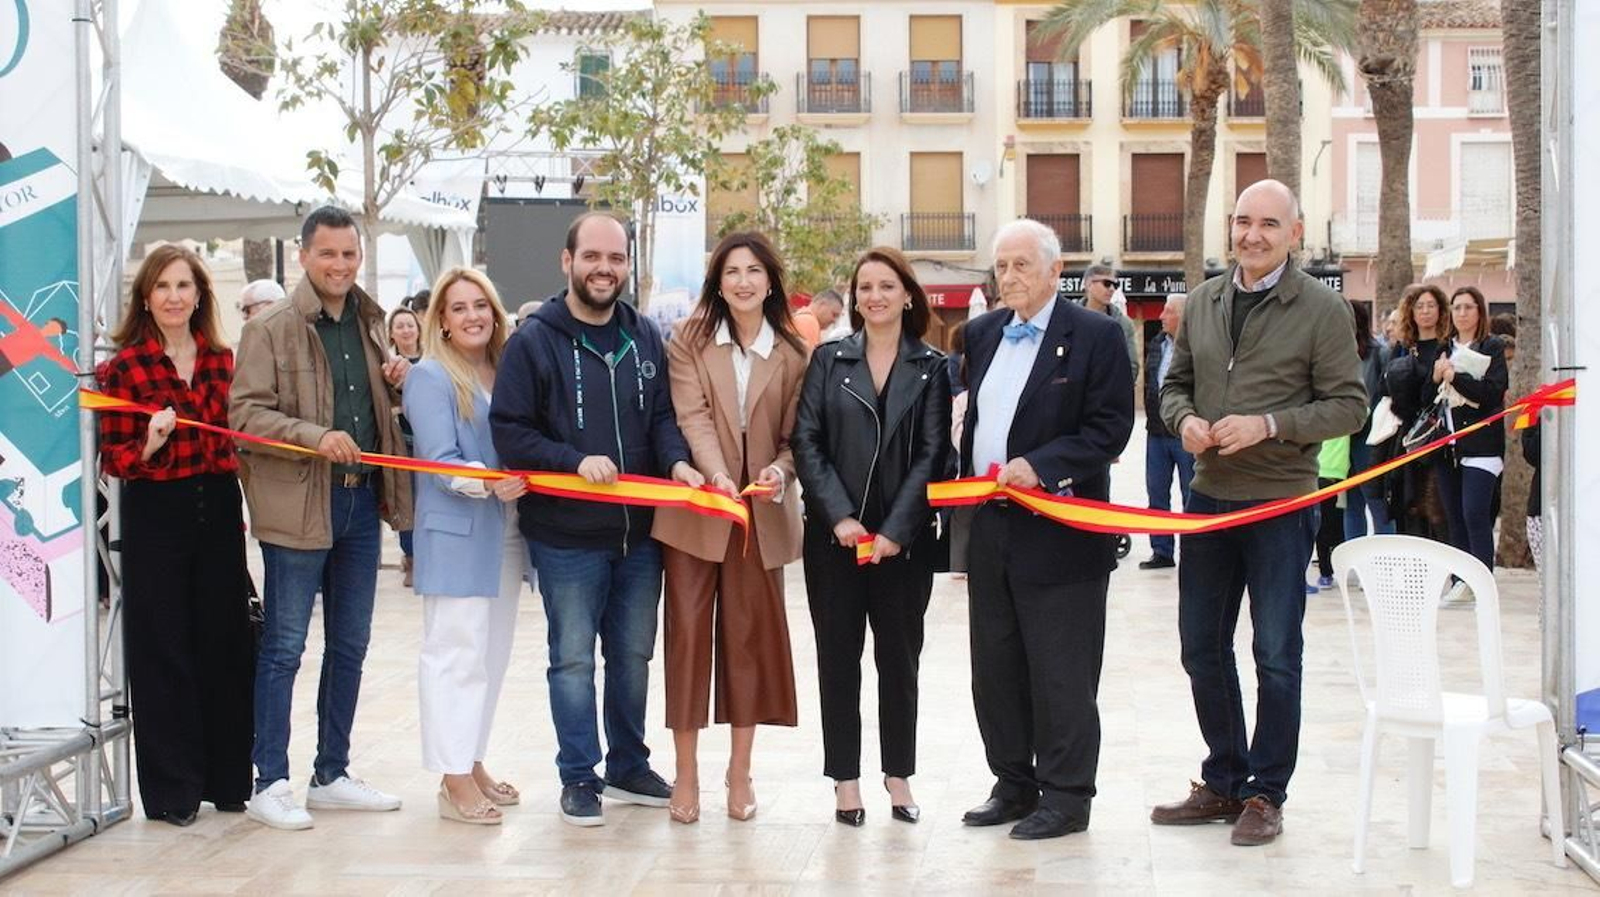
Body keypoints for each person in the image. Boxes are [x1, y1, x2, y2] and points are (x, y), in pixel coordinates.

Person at [1154, 179, 1366, 846]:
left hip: (1280, 503)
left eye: (1268, 224)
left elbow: (1348, 406)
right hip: (1208, 497)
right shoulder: (1206, 300)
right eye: (1243, 220)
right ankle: (1224, 778)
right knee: (1200, 647)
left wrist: (1271, 424)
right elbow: (1173, 385)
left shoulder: (1324, 309)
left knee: (1275, 653)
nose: (1252, 234)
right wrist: (1184, 418)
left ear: (1294, 233)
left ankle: (1266, 792)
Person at [489, 211, 700, 827]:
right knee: (574, 659)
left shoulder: (645, 336)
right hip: (565, 537)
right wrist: (573, 460)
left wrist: (679, 464)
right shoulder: (534, 341)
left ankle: (629, 766)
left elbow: (662, 417)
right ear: (567, 261)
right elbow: (511, 432)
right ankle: (579, 775)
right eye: (592, 257)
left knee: (633, 657)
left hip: (639, 534)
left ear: (627, 265)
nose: (604, 269)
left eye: (615, 258)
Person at [230, 206, 414, 830]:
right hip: (300, 506)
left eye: (350, 255)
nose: (341, 265)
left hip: (362, 503)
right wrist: (314, 436)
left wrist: (395, 385)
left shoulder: (369, 321)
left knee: (351, 645)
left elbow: (375, 410)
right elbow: (245, 417)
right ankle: (270, 781)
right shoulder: (272, 327)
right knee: (284, 647)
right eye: (329, 254)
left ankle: (331, 772)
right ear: (304, 255)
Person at [955, 220, 1133, 841]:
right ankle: (1013, 782)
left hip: (1062, 531)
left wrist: (1043, 466)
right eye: (1002, 266)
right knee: (995, 667)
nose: (1009, 277)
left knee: (1062, 672)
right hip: (992, 528)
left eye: (1022, 265)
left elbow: (1110, 429)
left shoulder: (1096, 336)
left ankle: (1066, 796)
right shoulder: (978, 334)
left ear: (1057, 272)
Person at [651, 232, 810, 825]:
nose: (743, 281)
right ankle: (686, 772)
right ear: (717, 281)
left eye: (754, 270)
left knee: (747, 642)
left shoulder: (795, 352)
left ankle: (739, 771)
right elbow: (690, 414)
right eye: (732, 271)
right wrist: (717, 477)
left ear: (770, 280)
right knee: (688, 637)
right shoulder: (689, 341)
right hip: (699, 509)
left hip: (760, 517)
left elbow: (798, 438)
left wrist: (779, 471)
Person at [97, 245, 255, 826]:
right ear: (146, 296)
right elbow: (115, 459)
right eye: (161, 286)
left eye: (183, 286)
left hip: (217, 505)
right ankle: (173, 792)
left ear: (199, 296)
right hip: (156, 510)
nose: (172, 297)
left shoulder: (222, 360)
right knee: (163, 648)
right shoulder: (126, 368)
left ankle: (229, 779)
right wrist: (151, 442)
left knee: (225, 640)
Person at [792, 246, 949, 827]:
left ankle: (898, 775)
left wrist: (895, 530)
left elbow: (935, 454)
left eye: (886, 286)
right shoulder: (830, 360)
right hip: (834, 543)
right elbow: (805, 442)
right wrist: (838, 517)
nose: (875, 297)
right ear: (854, 298)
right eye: (865, 288)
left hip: (902, 546)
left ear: (908, 294)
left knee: (900, 660)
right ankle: (846, 781)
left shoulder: (932, 367)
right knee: (838, 660)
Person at [405, 267, 529, 825]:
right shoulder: (430, 376)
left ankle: (471, 759)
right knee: (454, 656)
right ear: (443, 322)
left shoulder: (506, 371)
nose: (473, 315)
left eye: (481, 304)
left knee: (491, 658)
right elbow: (437, 460)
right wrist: (486, 482)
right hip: (458, 534)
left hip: (506, 534)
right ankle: (452, 779)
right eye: (459, 308)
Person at [1432, 285, 1509, 571]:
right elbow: (1432, 397)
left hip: (1482, 444)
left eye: (1468, 307)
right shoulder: (1444, 348)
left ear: (1479, 311)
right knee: (1453, 516)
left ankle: (1481, 577)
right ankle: (1460, 579)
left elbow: (1491, 393)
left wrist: (1455, 377)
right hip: (1446, 445)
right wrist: (1436, 377)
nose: (1462, 313)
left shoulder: (1492, 347)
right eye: (1457, 308)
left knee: (1474, 513)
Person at [1378, 284, 1450, 539]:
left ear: (1441, 310)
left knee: (1439, 508)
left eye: (1431, 305)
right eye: (1420, 306)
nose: (1426, 311)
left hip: (1441, 440)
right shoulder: (1402, 349)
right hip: (1408, 437)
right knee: (1409, 505)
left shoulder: (1448, 348)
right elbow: (1384, 390)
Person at [1140, 294, 1194, 570]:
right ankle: (1161, 551)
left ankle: (1194, 550)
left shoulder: (1196, 345)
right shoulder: (1158, 344)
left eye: (1168, 311)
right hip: (1156, 432)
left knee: (1191, 493)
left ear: (1183, 316)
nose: (1161, 316)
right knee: (1156, 493)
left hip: (1184, 432)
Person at [1344, 300, 1394, 539]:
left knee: (1376, 503)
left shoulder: (1378, 352)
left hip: (1370, 437)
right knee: (1350, 505)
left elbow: (1386, 394)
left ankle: (1386, 565)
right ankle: (1354, 565)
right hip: (1340, 438)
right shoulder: (1333, 352)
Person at [388, 306, 424, 587]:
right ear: (391, 332)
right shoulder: (386, 365)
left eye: (410, 325)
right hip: (401, 446)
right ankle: (411, 557)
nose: (406, 330)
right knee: (406, 503)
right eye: (399, 326)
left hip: (428, 444)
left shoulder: (432, 360)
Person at [1081, 263, 1138, 376]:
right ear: (1088, 285)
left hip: (1109, 390)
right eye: (1106, 284)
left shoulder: (1123, 323)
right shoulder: (1069, 318)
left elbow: (1131, 366)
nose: (1112, 289)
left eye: (1115, 285)